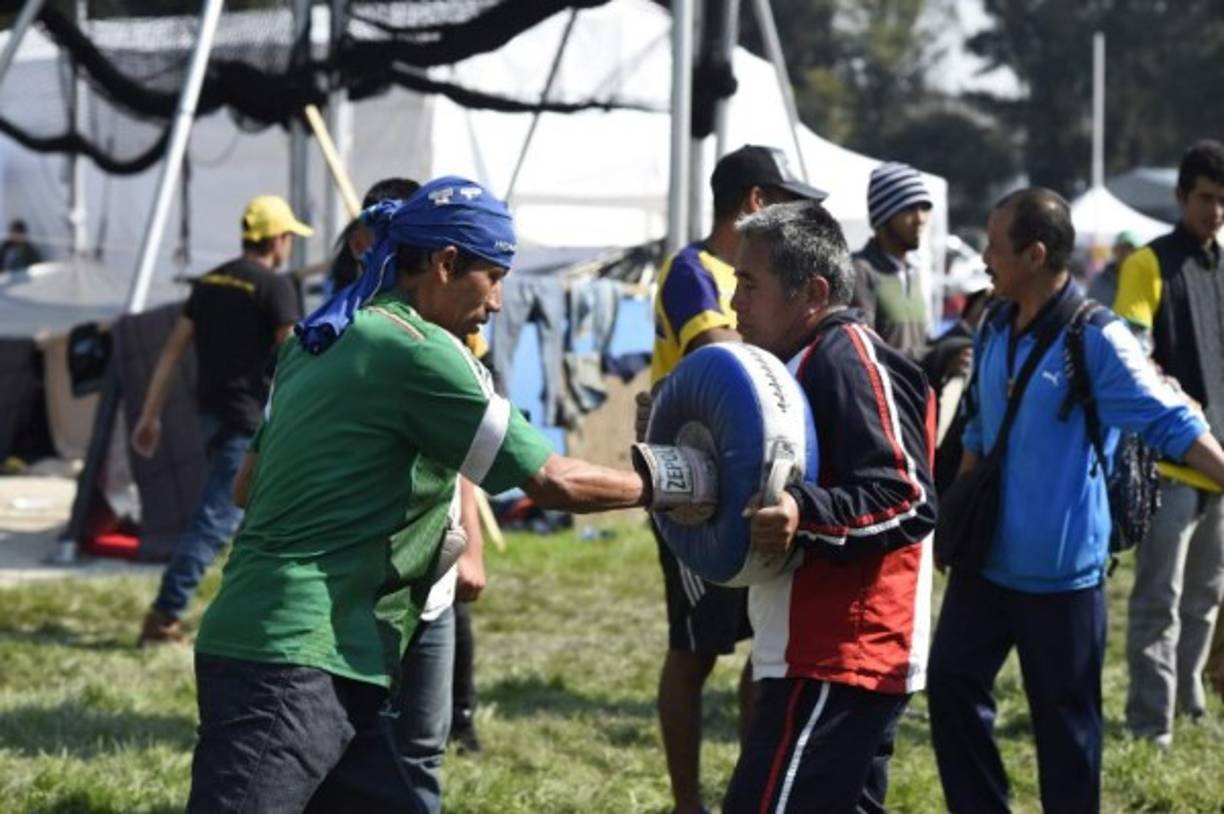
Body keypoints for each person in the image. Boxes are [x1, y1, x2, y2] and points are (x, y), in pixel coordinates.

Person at [186, 176, 704, 812]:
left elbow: (246, 486)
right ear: (445, 263)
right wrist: (678, 479)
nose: (498, 303)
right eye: (494, 276)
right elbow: (551, 481)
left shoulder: (319, 341)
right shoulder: (421, 352)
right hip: (293, 661)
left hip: (302, 647)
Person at [926, 187, 1224, 812]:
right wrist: (958, 521)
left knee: (1067, 739)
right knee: (951, 687)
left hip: (1062, 582)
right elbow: (978, 432)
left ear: (1034, 255)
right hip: (985, 568)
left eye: (995, 246)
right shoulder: (994, 325)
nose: (983, 257)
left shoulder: (1098, 340)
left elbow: (1175, 422)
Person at [721, 199, 935, 812]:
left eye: (750, 284)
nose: (735, 302)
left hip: (843, 656)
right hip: (817, 651)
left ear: (811, 292)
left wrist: (803, 514)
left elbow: (908, 495)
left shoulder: (848, 358)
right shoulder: (796, 362)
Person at [645, 144, 826, 814]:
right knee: (694, 651)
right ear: (755, 203)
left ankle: (756, 789)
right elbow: (729, 363)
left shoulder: (763, 270)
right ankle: (689, 803)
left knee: (765, 649)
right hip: (696, 494)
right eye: (784, 203)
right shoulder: (692, 272)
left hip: (760, 486)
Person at [132, 194, 311, 646]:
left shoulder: (211, 281)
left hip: (210, 415)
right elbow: (295, 356)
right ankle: (164, 616)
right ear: (279, 239)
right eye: (289, 236)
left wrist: (150, 415)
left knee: (253, 521)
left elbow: (172, 350)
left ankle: (253, 613)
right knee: (216, 521)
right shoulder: (275, 287)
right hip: (249, 420)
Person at [1114, 139, 1224, 749]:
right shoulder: (1147, 265)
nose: (1215, 212)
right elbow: (1132, 354)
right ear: (1182, 196)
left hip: (1222, 466)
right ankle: (1148, 725)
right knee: (1160, 598)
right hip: (1170, 465)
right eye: (1206, 198)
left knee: (1206, 597)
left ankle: (1190, 702)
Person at [851, 161, 934, 357]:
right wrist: (934, 356)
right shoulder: (860, 271)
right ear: (882, 217)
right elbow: (866, 352)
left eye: (924, 207)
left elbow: (920, 343)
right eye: (909, 209)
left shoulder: (913, 272)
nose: (920, 219)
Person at [1086, 229, 1137, 306]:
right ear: (1114, 250)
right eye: (1122, 249)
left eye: (1130, 250)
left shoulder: (1142, 280)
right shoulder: (1100, 280)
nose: (1126, 254)